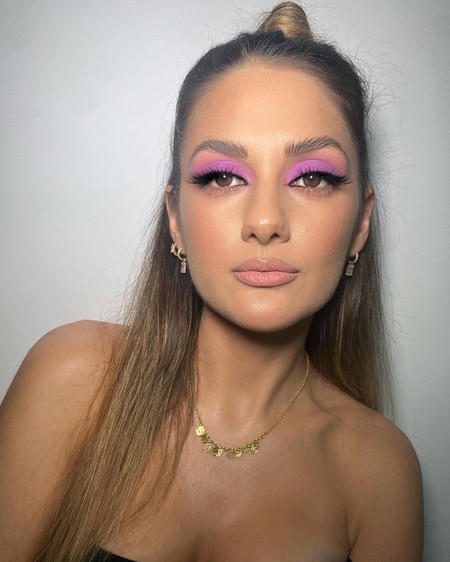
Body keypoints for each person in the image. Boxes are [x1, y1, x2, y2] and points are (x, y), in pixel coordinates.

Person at [0, 2, 423, 561]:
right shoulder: (71, 381)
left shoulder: (380, 472)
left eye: (312, 178)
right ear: (175, 217)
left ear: (361, 223)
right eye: (223, 176)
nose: (265, 221)